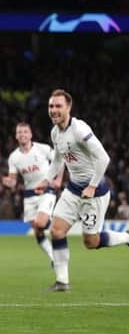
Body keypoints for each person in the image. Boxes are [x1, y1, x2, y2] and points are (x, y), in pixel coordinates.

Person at [36, 89, 129, 292]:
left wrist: (92, 185)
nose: (53, 110)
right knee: (57, 231)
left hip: (94, 192)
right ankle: (62, 281)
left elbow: (103, 158)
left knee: (91, 242)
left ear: (68, 107)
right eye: (51, 106)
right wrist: (46, 179)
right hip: (73, 189)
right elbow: (58, 160)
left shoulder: (79, 129)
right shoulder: (55, 132)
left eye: (58, 106)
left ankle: (127, 238)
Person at [1, 123, 63, 267]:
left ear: (30, 134)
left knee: (41, 223)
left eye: (25, 132)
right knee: (37, 230)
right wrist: (8, 182)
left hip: (46, 190)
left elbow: (60, 160)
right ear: (16, 136)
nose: (22, 134)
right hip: (29, 195)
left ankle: (58, 226)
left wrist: (58, 180)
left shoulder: (42, 149)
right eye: (19, 132)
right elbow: (13, 181)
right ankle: (53, 257)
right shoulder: (14, 157)